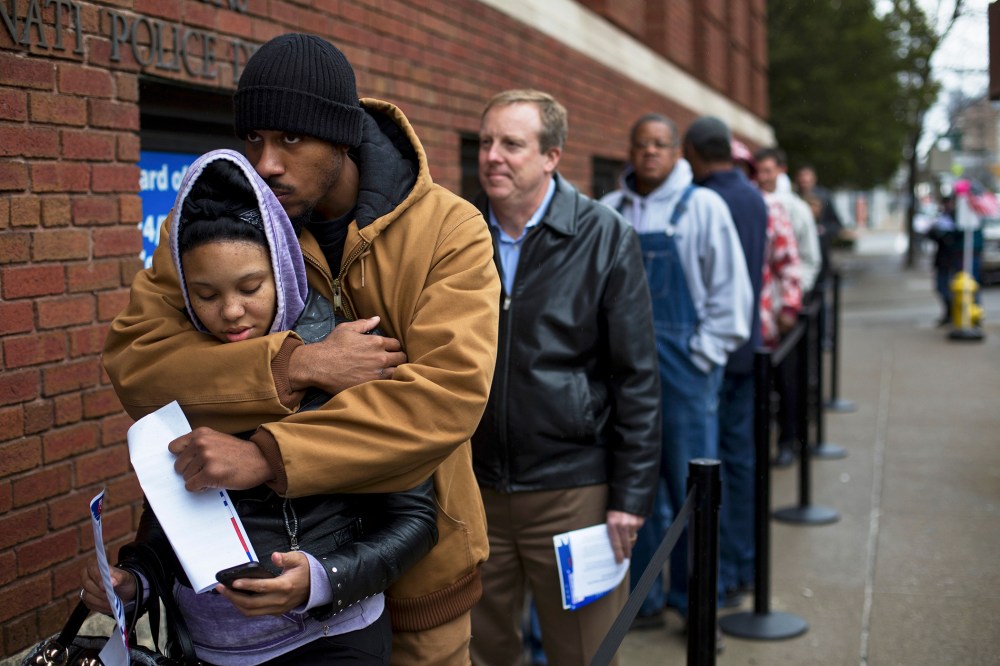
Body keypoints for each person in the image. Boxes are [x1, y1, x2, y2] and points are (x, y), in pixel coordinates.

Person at [101, 34, 501, 665]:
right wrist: (292, 365)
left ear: (341, 136)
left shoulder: (449, 230)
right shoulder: (209, 225)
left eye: (291, 139)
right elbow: (136, 365)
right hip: (270, 601)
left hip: (419, 564)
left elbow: (446, 399)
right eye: (254, 138)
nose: (266, 163)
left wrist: (268, 454)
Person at [83, 150, 438, 664]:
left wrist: (321, 579)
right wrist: (135, 582)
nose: (230, 312)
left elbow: (415, 518)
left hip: (331, 641)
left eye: (251, 287)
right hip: (208, 650)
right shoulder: (178, 372)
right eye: (205, 294)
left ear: (286, 270)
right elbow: (170, 525)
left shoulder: (350, 359)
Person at [469, 89, 661, 666]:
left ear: (552, 156)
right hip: (473, 490)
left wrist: (629, 496)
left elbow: (637, 378)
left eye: (512, 144)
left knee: (584, 653)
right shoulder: (459, 230)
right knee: (483, 652)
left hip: (572, 493)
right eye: (485, 142)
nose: (492, 157)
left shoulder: (604, 235)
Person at [600, 113, 752, 627]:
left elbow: (731, 296)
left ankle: (696, 602)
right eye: (641, 144)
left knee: (694, 489)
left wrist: (703, 356)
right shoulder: (610, 210)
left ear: (676, 152)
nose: (650, 153)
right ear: (631, 150)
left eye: (661, 145)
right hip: (622, 374)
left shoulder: (702, 207)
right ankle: (641, 602)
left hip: (686, 374)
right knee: (631, 486)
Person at [681, 118, 768, 607]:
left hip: (712, 355)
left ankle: (729, 569)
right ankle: (746, 562)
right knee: (741, 462)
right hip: (746, 346)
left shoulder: (704, 200)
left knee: (716, 468)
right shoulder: (753, 196)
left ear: (692, 150)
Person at [755, 148, 808, 468]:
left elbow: (801, 261)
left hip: (782, 316)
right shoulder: (751, 203)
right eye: (758, 171)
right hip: (757, 317)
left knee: (786, 383)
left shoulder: (792, 208)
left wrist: (792, 304)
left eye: (768, 171)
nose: (762, 177)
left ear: (780, 171)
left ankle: (790, 438)